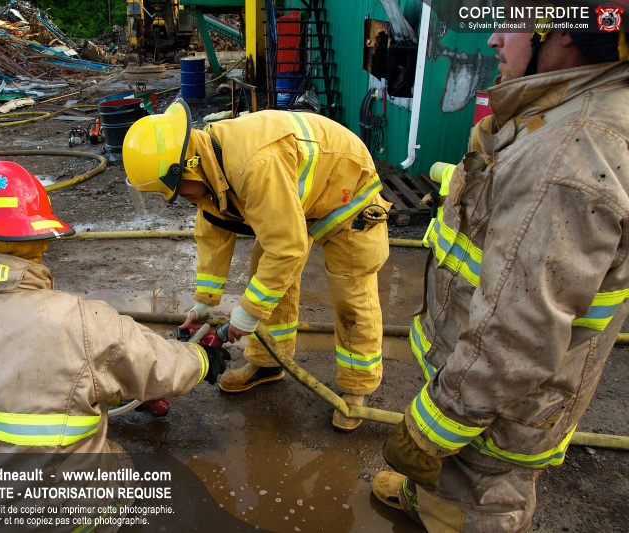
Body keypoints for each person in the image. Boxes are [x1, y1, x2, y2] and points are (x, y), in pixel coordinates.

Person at [370, 13, 629, 532]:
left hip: (499, 406)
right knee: (453, 478)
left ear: (566, 31)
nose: (493, 36)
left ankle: (453, 512)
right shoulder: (561, 115)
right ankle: (431, 499)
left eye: (512, 19)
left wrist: (432, 428)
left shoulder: (568, 154)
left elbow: (518, 329)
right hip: (491, 387)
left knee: (479, 497)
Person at [0, 160, 230, 530]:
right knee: (118, 469)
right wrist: (204, 358)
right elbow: (162, 367)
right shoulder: (84, 322)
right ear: (40, 237)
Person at [122, 101, 390, 431]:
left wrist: (248, 313)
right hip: (291, 200)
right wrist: (204, 304)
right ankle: (268, 363)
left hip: (346, 192)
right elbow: (213, 231)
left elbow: (287, 248)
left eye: (174, 190)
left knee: (352, 295)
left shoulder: (253, 165)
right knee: (265, 274)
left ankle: (356, 387)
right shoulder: (208, 159)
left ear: (187, 169)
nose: (173, 198)